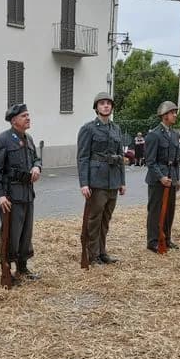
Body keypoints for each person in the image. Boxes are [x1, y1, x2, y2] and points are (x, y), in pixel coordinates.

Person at [0, 103, 42, 282]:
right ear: (13, 120)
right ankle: (6, 269)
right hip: (10, 196)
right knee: (10, 234)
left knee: (26, 233)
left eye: (28, 115)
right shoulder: (3, 139)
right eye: (24, 116)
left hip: (27, 194)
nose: (28, 118)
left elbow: (37, 158)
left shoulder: (29, 139)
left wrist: (36, 167)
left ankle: (22, 267)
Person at [77, 91, 125, 263]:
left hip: (113, 180)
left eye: (108, 103)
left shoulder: (116, 128)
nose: (106, 105)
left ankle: (102, 252)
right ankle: (92, 254)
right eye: (102, 103)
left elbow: (120, 156)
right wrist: (84, 183)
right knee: (94, 218)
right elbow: (82, 157)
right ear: (96, 108)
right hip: (96, 180)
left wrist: (122, 181)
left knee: (106, 218)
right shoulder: (88, 129)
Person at [145, 100, 180, 250]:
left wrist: (177, 179)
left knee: (169, 210)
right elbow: (150, 161)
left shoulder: (174, 135)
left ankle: (166, 238)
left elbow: (176, 160)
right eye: (172, 113)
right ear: (164, 115)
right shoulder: (154, 135)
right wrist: (161, 177)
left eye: (175, 112)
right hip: (157, 180)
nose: (175, 115)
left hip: (171, 177)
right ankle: (153, 241)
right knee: (156, 211)